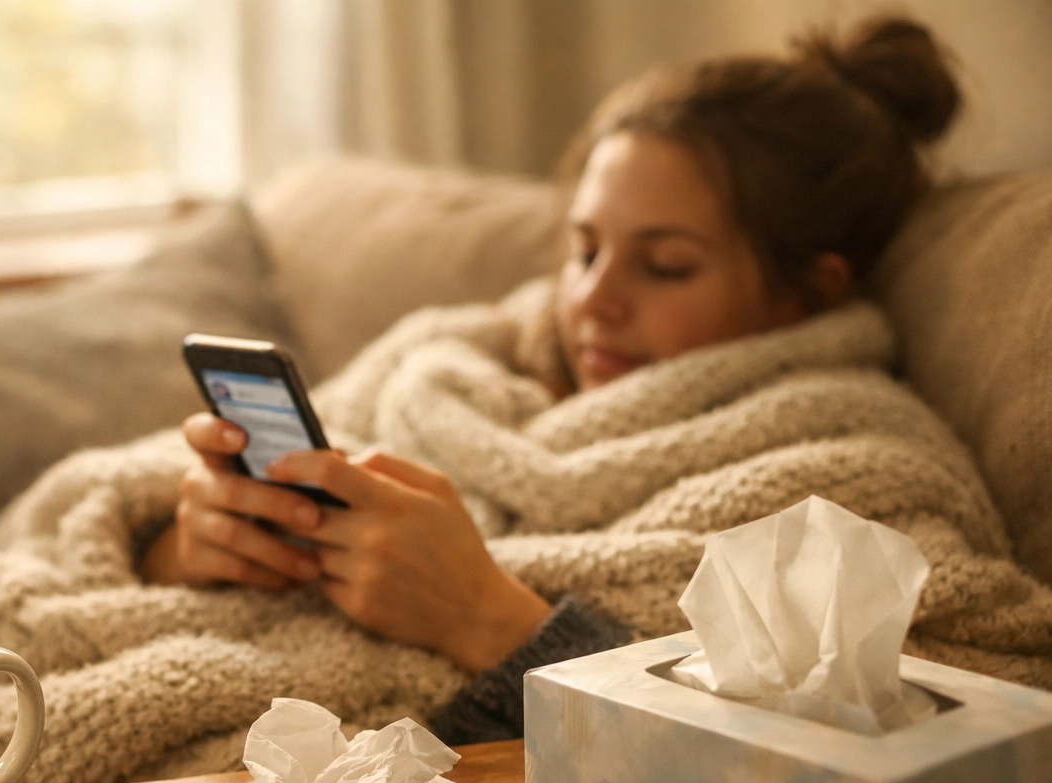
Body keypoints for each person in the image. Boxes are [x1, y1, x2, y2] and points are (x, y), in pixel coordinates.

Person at [139, 16, 964, 741]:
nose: (592, 299)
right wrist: (192, 544)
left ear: (805, 292)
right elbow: (98, 515)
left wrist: (483, 615)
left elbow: (818, 775)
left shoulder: (853, 469)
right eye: (585, 249)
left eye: (666, 266)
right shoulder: (452, 357)